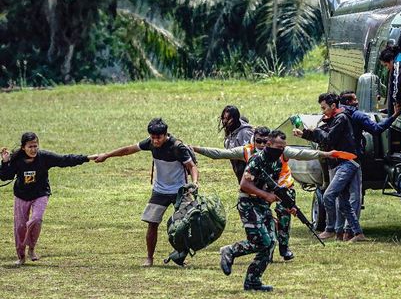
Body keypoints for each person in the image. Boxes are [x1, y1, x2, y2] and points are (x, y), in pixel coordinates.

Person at [193, 126, 335, 260]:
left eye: (264, 141)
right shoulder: (248, 152)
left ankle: (284, 248)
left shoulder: (280, 150)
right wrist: (195, 149)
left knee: (284, 214)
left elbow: (302, 154)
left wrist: (325, 154)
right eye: (258, 141)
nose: (261, 144)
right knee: (265, 226)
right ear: (254, 140)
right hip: (261, 191)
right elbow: (220, 154)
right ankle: (266, 250)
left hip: (284, 187)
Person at [94, 118, 198, 267]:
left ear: (165, 134)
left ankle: (180, 256)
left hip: (180, 190)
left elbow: (192, 167)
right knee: (152, 223)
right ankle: (149, 258)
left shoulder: (177, 147)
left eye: (158, 137)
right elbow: (128, 150)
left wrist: (194, 183)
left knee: (186, 223)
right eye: (152, 137)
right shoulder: (149, 143)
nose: (155, 141)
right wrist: (107, 155)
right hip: (160, 190)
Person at [0, 132, 97, 266]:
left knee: (36, 219)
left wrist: (87, 158)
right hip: (22, 196)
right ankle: (21, 257)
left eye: (35, 146)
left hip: (40, 194)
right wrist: (5, 162)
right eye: (30, 147)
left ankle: (31, 248)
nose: (33, 149)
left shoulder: (44, 157)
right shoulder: (17, 159)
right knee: (20, 227)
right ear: (23, 147)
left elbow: (65, 160)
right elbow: (6, 177)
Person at [219, 130, 292, 292]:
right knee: (260, 241)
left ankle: (253, 281)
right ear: (268, 144)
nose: (281, 150)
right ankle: (229, 251)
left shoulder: (277, 163)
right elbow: (244, 184)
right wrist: (266, 195)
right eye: (278, 146)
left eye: (283, 147)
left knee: (271, 242)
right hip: (248, 203)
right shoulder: (257, 160)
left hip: (261, 205)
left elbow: (273, 186)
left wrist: (288, 203)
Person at [293, 93, 366, 242]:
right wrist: (305, 134)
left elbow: (328, 139)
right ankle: (358, 233)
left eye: (324, 108)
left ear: (333, 106)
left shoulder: (341, 118)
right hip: (339, 164)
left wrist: (316, 130)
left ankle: (330, 229)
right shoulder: (334, 119)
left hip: (346, 163)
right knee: (344, 201)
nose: (322, 111)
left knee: (329, 195)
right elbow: (323, 137)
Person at [335, 90, 401, 240]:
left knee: (339, 196)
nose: (357, 102)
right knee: (355, 196)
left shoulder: (336, 115)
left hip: (336, 160)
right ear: (350, 102)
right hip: (352, 160)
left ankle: (338, 231)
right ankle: (351, 231)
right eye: (355, 100)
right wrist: (394, 116)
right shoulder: (357, 115)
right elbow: (376, 129)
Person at [219, 105, 254, 182]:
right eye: (224, 118)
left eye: (227, 119)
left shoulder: (245, 133)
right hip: (237, 166)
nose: (224, 121)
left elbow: (251, 156)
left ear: (234, 119)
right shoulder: (231, 129)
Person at [379, 43, 401, 115]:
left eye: (386, 65)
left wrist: (397, 102)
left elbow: (398, 83)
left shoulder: (399, 62)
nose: (387, 68)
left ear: (391, 60)